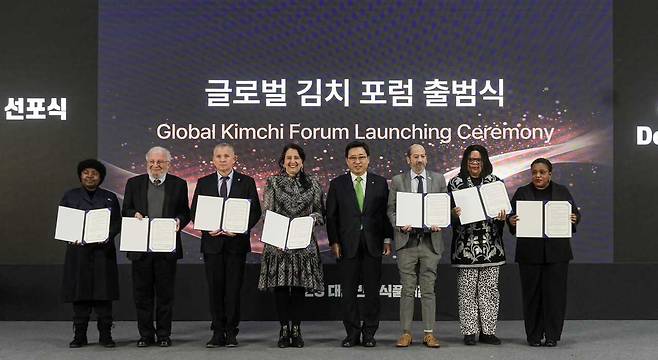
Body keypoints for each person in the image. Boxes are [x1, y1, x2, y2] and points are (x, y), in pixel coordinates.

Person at [190, 143, 262, 348]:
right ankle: (217, 332)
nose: (222, 159)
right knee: (215, 289)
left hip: (236, 244)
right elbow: (195, 210)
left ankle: (231, 332)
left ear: (234, 159)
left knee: (233, 289)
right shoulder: (204, 182)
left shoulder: (246, 181)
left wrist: (240, 228)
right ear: (213, 159)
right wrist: (205, 228)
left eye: (226, 156)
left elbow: (255, 211)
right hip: (212, 244)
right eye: (218, 156)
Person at [507, 158, 581, 347]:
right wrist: (511, 221)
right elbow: (511, 217)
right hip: (529, 254)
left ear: (550, 173)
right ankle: (533, 336)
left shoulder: (562, 191)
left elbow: (575, 214)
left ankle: (552, 336)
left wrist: (574, 218)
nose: (537, 176)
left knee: (555, 296)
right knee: (531, 296)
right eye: (534, 172)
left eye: (542, 172)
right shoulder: (522, 192)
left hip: (557, 254)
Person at [122, 146, 191, 347]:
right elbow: (126, 208)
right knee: (142, 295)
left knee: (165, 296)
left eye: (160, 162)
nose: (155, 165)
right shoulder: (133, 183)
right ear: (147, 163)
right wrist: (133, 214)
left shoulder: (179, 184)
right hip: (140, 250)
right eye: (151, 162)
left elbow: (185, 212)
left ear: (168, 164)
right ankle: (145, 335)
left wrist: (179, 221)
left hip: (166, 249)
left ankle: (163, 335)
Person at [257, 143, 325, 348]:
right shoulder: (273, 182)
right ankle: (283, 329)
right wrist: (277, 238)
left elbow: (320, 212)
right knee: (280, 287)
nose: (292, 161)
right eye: (288, 158)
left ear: (302, 161)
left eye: (296, 158)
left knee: (297, 288)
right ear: (283, 161)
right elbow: (267, 213)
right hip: (278, 244)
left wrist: (312, 218)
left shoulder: (313, 182)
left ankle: (296, 329)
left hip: (303, 244)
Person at [326, 141, 393, 348]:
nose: (357, 161)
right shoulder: (337, 184)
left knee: (372, 292)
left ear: (368, 159)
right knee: (349, 293)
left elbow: (385, 215)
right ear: (347, 160)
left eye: (361, 157)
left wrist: (387, 238)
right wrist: (334, 241)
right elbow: (331, 216)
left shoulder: (380, 182)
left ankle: (370, 333)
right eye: (353, 158)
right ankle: (352, 333)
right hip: (347, 246)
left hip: (373, 244)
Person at [387, 144, 446, 348]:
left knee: (428, 289)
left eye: (423, 156)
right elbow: (391, 210)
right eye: (415, 156)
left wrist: (442, 220)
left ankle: (429, 333)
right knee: (407, 289)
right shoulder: (398, 180)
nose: (419, 160)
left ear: (426, 159)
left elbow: (443, 207)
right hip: (407, 242)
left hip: (431, 242)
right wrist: (399, 224)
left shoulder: (438, 179)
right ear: (408, 159)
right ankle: (406, 332)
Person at [448, 144, 507, 346]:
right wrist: (453, 214)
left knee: (489, 290)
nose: (475, 164)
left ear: (485, 162)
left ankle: (488, 332)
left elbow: (503, 214)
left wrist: (502, 217)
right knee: (467, 290)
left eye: (478, 160)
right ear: (465, 162)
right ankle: (470, 332)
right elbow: (445, 216)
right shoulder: (455, 184)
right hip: (465, 248)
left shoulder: (495, 183)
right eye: (471, 160)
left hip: (492, 247)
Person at [60, 159, 120, 348]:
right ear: (80, 175)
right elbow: (64, 223)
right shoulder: (70, 196)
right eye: (85, 172)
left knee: (104, 297)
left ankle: (106, 336)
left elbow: (117, 223)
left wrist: (108, 235)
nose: (90, 176)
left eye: (94, 173)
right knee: (80, 297)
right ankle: (79, 336)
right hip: (78, 254)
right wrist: (69, 236)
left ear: (100, 176)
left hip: (103, 254)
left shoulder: (110, 197)